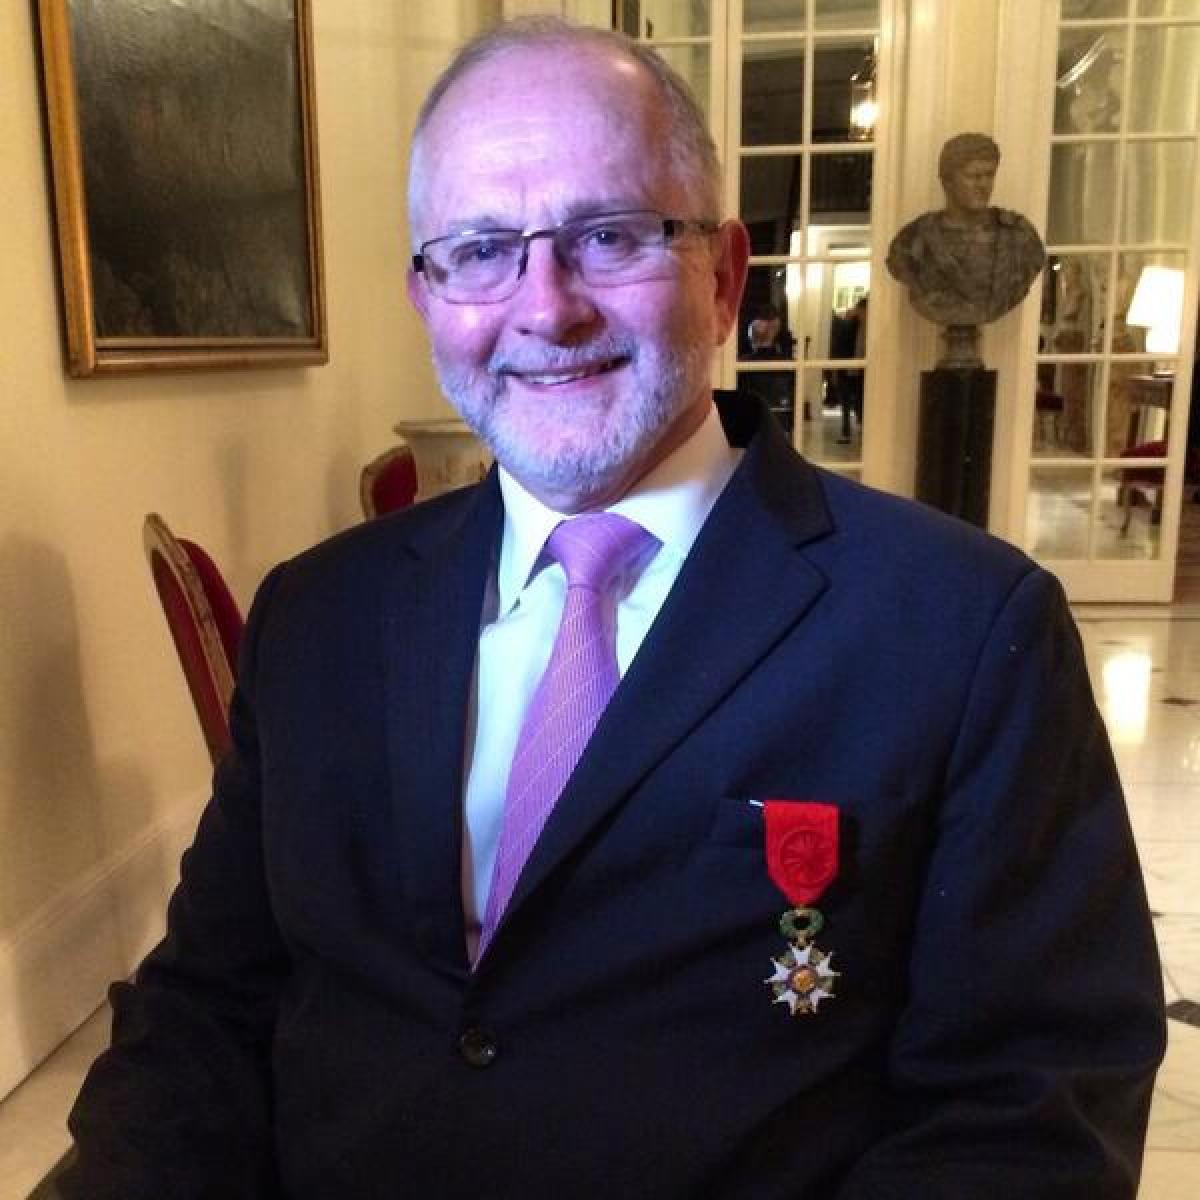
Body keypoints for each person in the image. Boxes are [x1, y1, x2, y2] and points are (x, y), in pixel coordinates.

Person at [62, 18, 1163, 1199]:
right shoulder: (318, 616)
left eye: (609, 236)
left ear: (727, 275)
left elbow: (1030, 1115)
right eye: (479, 249)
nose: (547, 308)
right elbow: (207, 1008)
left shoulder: (965, 633)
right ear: (427, 295)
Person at [886, 132, 1045, 329]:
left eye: (990, 175)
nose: (984, 185)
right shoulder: (911, 241)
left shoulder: (1019, 236)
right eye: (974, 176)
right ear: (947, 181)